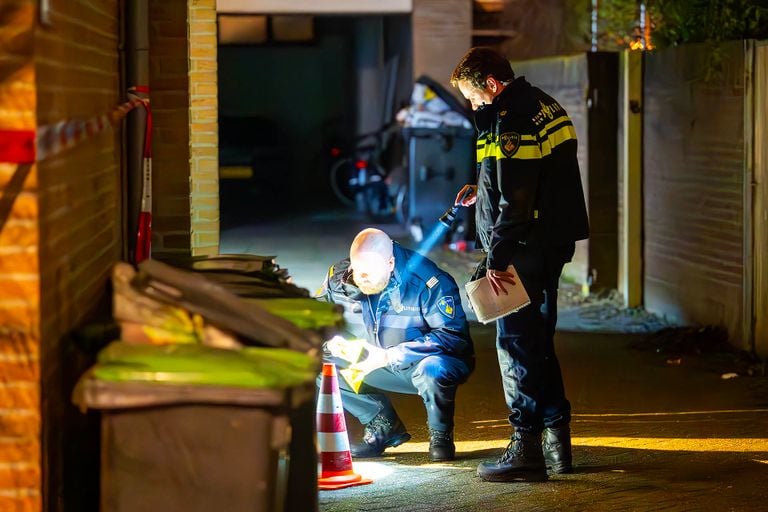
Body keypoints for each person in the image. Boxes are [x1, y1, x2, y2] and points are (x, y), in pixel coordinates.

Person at [449, 47, 590, 482]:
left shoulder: (512, 118)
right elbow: (525, 175)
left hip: (525, 246)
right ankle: (557, 445)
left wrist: (498, 256)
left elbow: (520, 196)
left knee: (515, 344)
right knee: (538, 342)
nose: (472, 105)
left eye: (472, 96)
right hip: (549, 242)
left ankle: (525, 447)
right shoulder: (543, 105)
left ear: (490, 84)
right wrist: (484, 186)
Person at [317, 228, 474, 461]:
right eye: (357, 270)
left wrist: (391, 355)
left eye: (369, 272)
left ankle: (440, 435)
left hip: (417, 363)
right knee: (313, 359)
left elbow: (453, 337)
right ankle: (381, 423)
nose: (362, 277)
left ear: (390, 263)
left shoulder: (427, 281)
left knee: (433, 367)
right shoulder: (339, 277)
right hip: (370, 360)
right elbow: (317, 318)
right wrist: (331, 339)